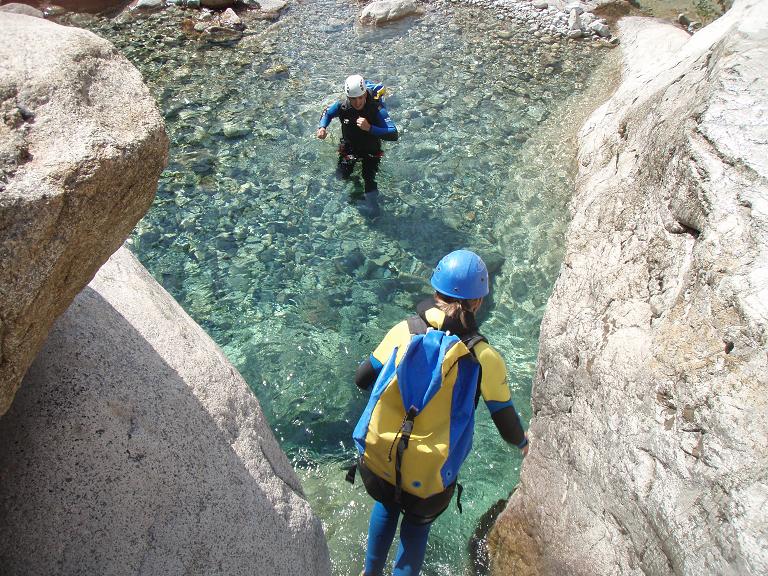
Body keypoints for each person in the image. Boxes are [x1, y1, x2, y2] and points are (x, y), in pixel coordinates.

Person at [353, 249, 529, 576]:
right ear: (477, 303)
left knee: (386, 506)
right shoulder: (483, 357)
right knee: (416, 528)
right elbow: (505, 420)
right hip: (429, 477)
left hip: (380, 459)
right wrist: (523, 445)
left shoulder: (404, 330)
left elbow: (363, 378)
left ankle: (370, 573)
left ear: (435, 292)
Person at [317, 74, 398, 215]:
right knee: (341, 177)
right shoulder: (342, 106)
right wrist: (322, 127)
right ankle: (355, 190)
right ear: (348, 97)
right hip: (349, 149)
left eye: (361, 97)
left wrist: (370, 128)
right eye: (353, 99)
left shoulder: (376, 108)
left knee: (369, 178)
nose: (358, 102)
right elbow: (327, 113)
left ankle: (374, 210)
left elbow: (393, 134)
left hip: (371, 151)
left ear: (366, 93)